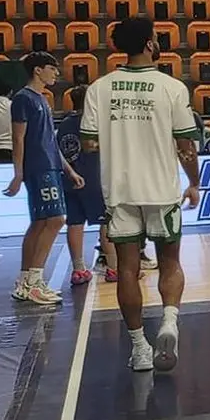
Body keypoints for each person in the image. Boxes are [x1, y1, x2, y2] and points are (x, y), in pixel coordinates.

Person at [80, 19, 202, 372]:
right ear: (150, 44)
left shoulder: (99, 89)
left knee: (128, 271)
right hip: (162, 191)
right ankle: (168, 320)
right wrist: (193, 182)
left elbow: (89, 144)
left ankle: (139, 348)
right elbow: (186, 146)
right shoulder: (172, 87)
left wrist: (121, 139)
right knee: (170, 263)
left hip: (120, 192)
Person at [4, 53, 83, 306]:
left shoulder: (43, 101)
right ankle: (36, 281)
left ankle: (25, 281)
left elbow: (50, 139)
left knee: (39, 222)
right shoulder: (23, 99)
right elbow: (18, 138)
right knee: (56, 219)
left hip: (50, 166)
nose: (56, 73)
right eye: (52, 68)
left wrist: (69, 170)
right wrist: (18, 173)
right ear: (38, 70)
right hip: (38, 169)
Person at [57, 89, 118, 287]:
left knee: (74, 223)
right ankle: (113, 268)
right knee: (106, 222)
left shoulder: (64, 123)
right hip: (94, 178)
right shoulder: (94, 122)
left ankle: (78, 269)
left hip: (69, 177)